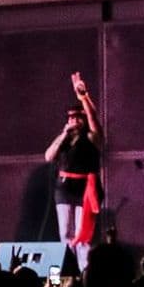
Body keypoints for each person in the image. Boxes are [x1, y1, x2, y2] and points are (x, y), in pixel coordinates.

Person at [45, 71, 103, 268]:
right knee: (65, 234)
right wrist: (64, 134)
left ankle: (84, 271)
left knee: (82, 235)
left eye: (77, 118)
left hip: (85, 188)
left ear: (83, 120)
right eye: (70, 118)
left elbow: (94, 120)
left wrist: (83, 97)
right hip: (64, 188)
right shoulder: (64, 138)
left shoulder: (91, 137)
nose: (73, 121)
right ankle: (68, 272)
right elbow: (49, 156)